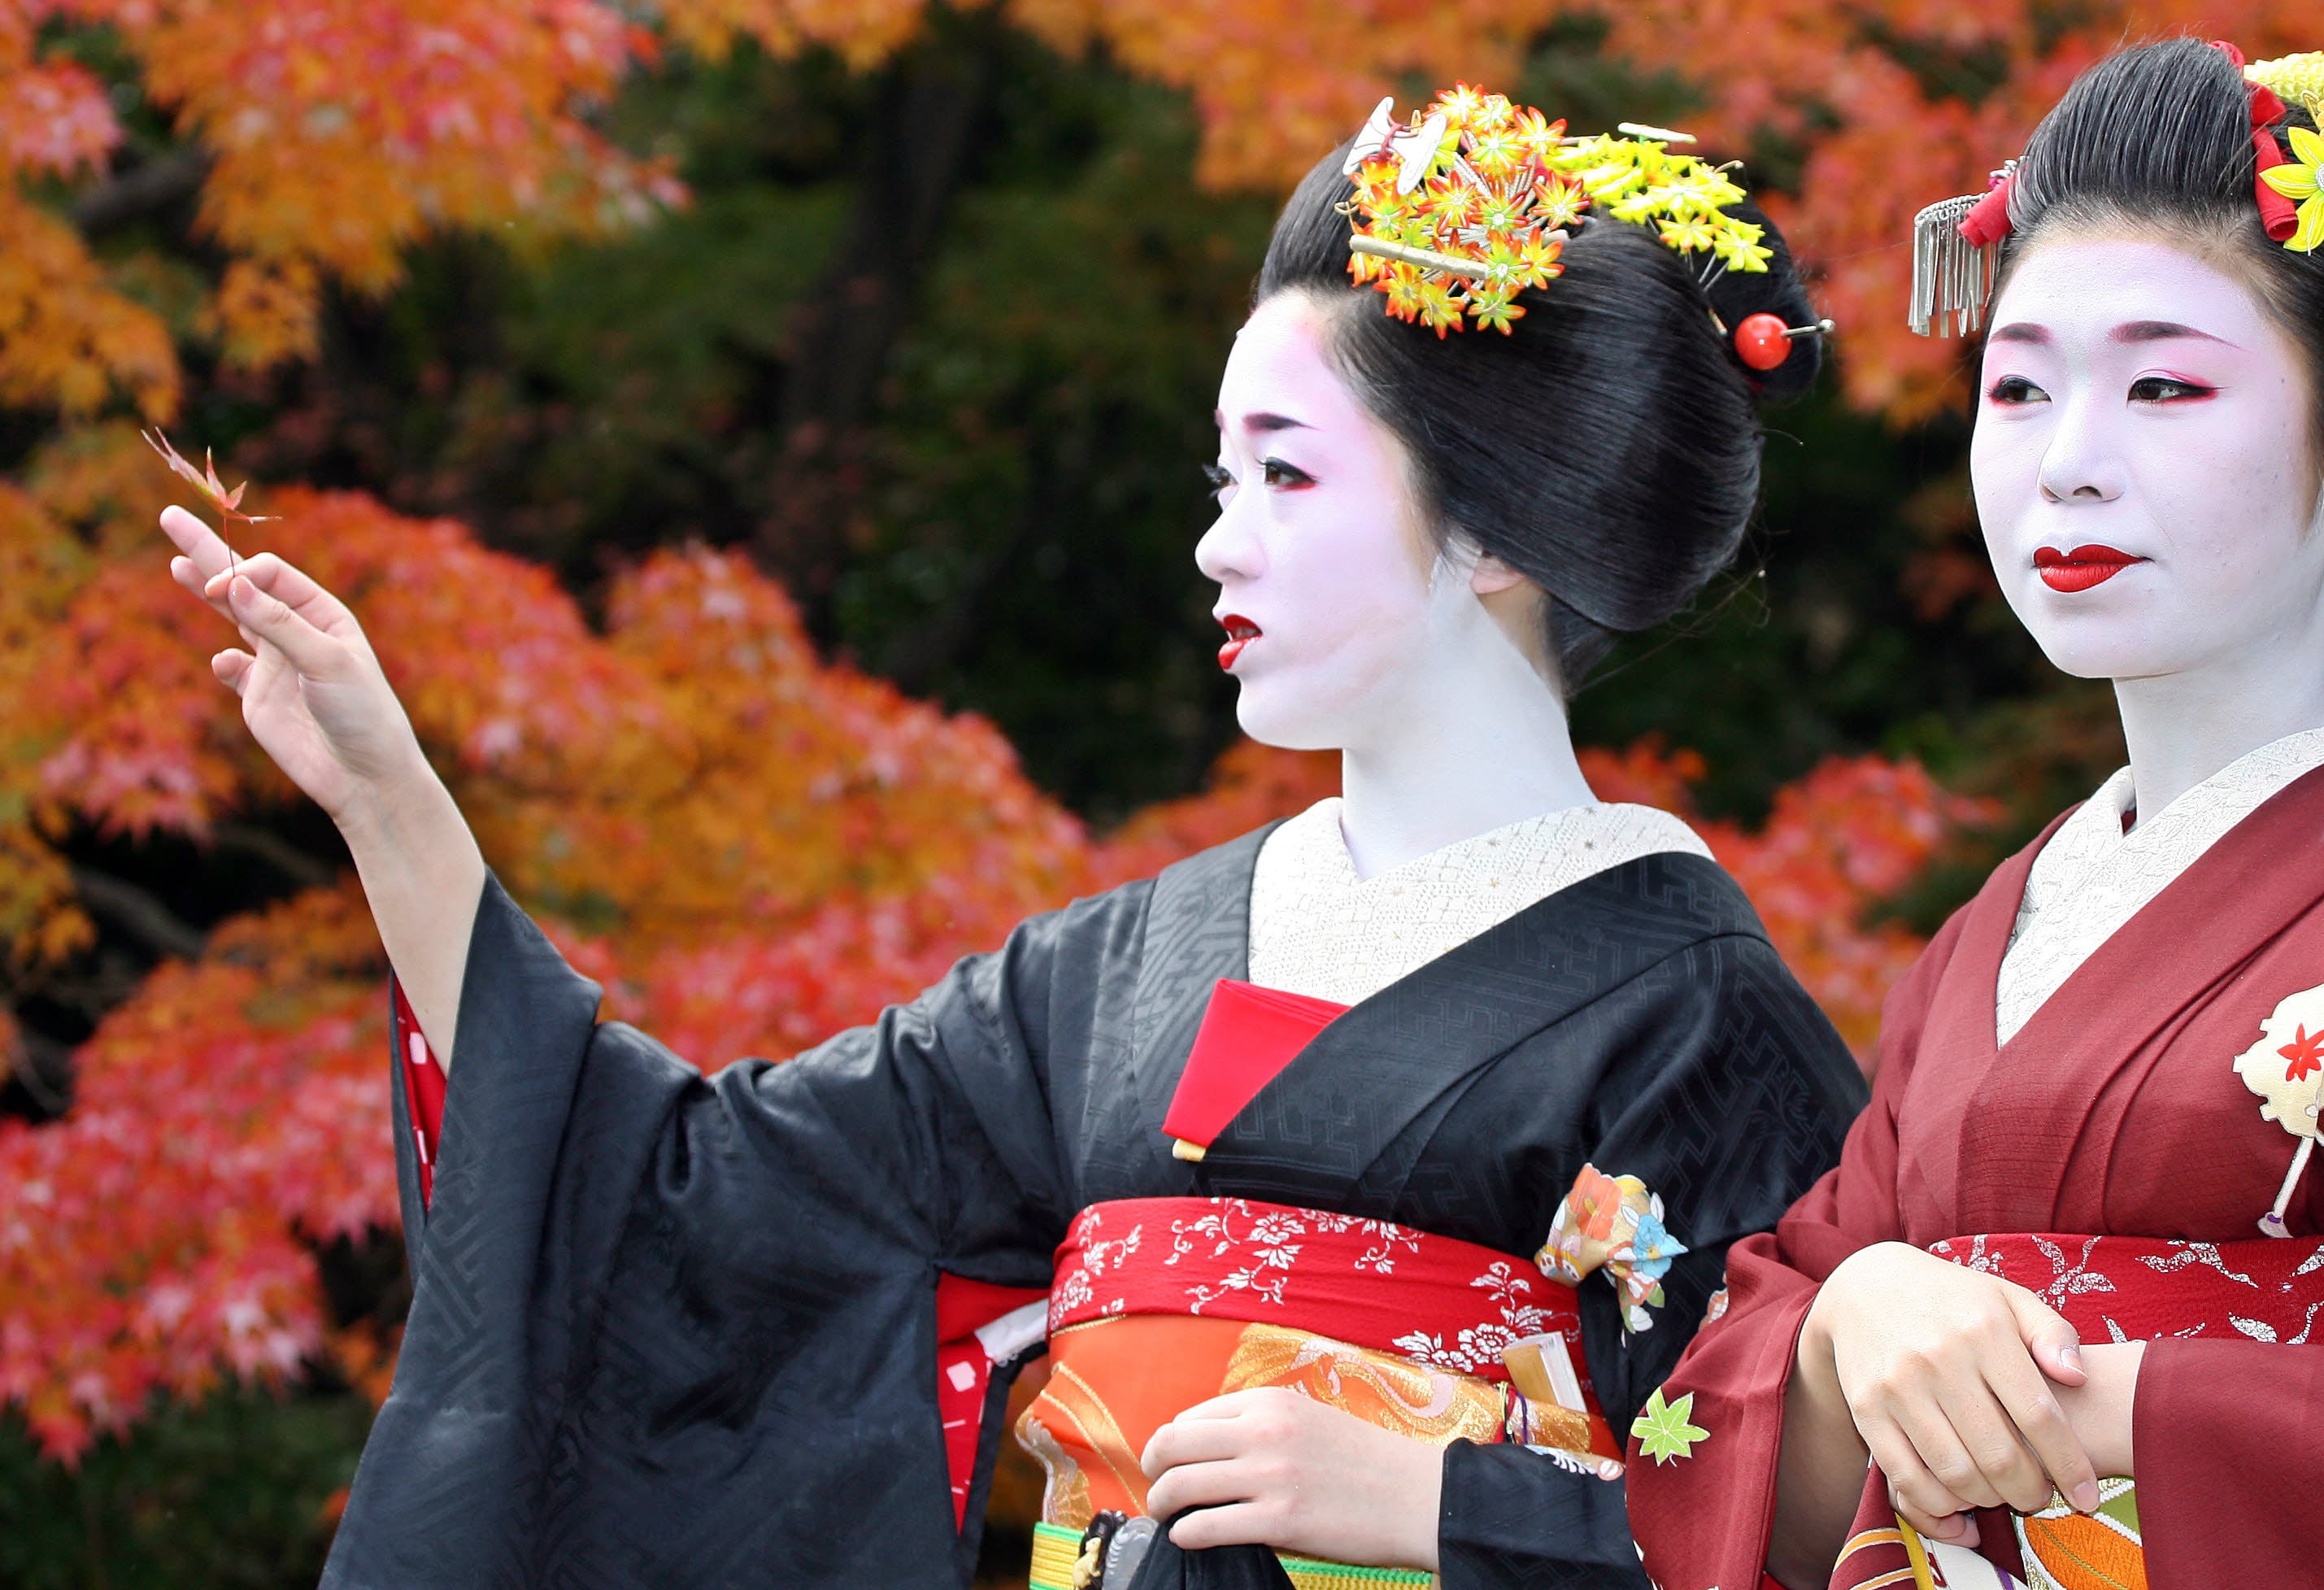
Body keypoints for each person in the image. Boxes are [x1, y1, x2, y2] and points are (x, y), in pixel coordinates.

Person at [157, 86, 1869, 1589]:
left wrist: (1440, 1502)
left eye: (1286, 476)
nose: (1219, 545)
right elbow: (692, 1200)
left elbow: (1810, 1522)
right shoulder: (1120, 970)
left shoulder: (1700, 1020)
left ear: (1498, 525)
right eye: (1221, 482)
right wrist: (393, 806)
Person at [1623, 37, 2324, 1590]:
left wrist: (2105, 1404)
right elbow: (1732, 1404)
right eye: (2018, 387)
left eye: (2164, 385)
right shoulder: (1994, 936)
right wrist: (1851, 1323)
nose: (2067, 466)